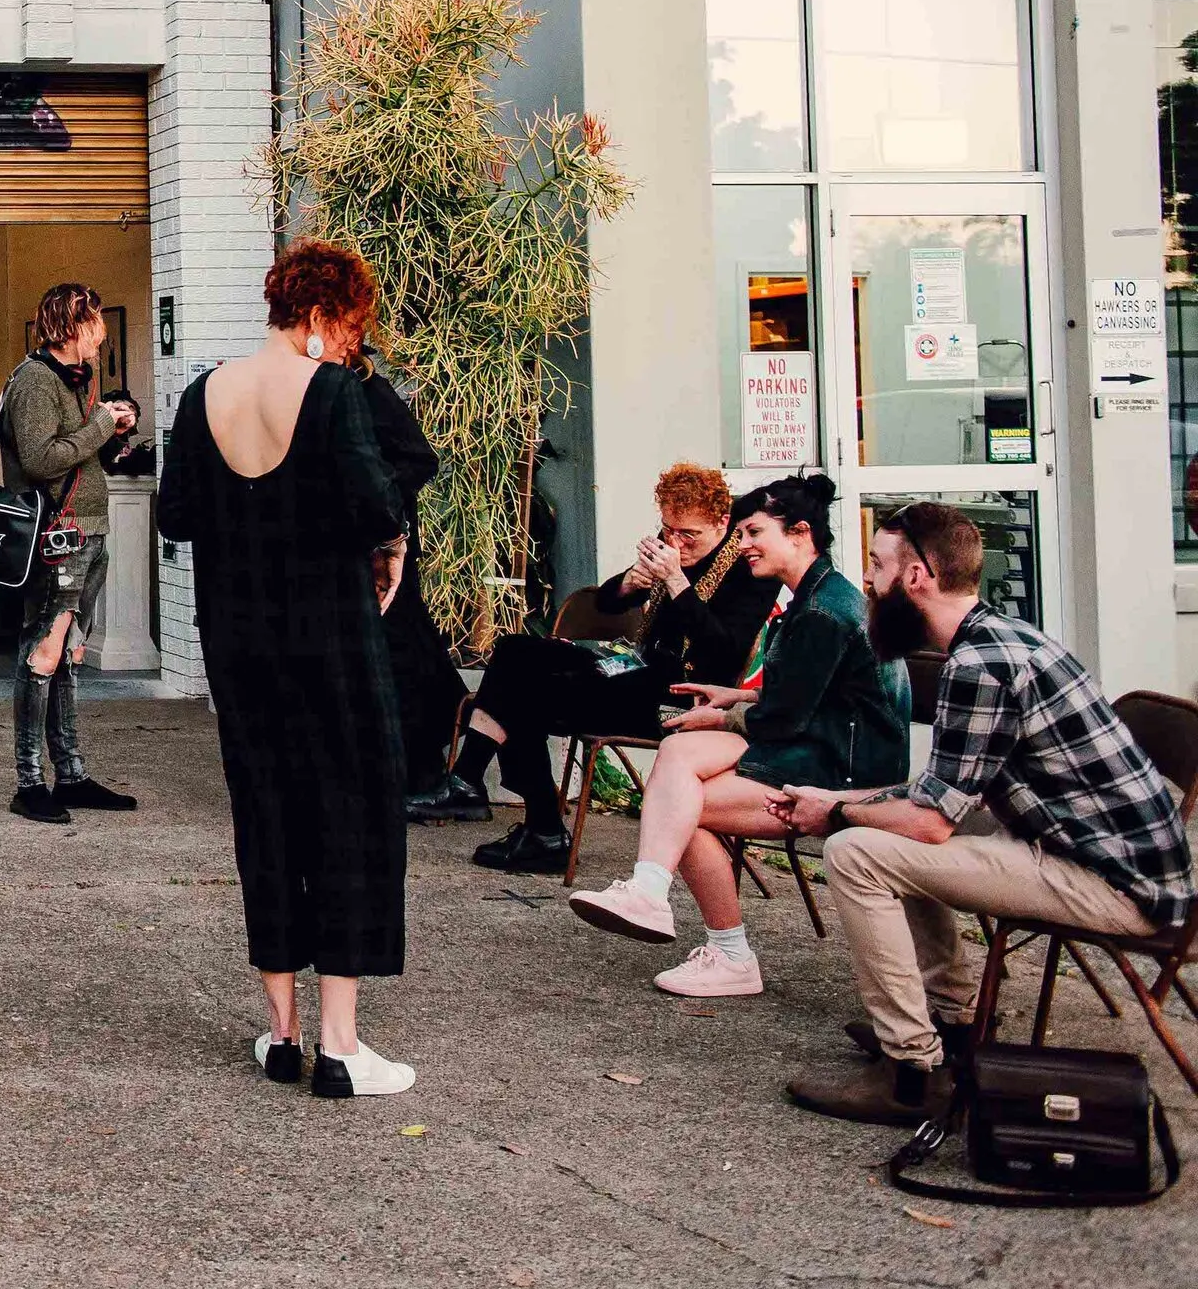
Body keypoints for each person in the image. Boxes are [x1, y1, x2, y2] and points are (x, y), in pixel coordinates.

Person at [777, 503, 1197, 1124]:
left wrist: (835, 814)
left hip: (1115, 885)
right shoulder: (998, 635)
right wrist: (841, 801)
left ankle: (911, 1073)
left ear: (916, 576)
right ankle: (955, 1025)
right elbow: (939, 796)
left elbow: (929, 822)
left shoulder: (979, 664)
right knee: (886, 833)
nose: (866, 579)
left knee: (855, 852)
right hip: (1098, 855)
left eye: (876, 565)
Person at [155, 239, 416, 1099]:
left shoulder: (204, 394)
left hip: (239, 640)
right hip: (329, 636)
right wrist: (389, 543)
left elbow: (178, 515)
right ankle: (340, 1047)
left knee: (264, 815)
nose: (349, 346)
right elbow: (375, 502)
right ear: (317, 316)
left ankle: (282, 1034)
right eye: (349, 328)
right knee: (349, 812)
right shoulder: (334, 392)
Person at [565, 472, 908, 1002]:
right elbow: (815, 694)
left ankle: (727, 952)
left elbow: (786, 718)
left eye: (753, 533)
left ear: (799, 533)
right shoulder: (819, 594)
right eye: (741, 533)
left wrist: (724, 716)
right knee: (679, 756)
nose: (742, 544)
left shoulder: (821, 611)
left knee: (684, 807)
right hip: (822, 741)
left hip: (842, 769)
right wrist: (735, 696)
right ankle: (649, 892)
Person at [407, 464, 780, 876]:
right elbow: (607, 603)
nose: (676, 542)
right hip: (635, 666)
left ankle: (537, 825)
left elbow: (723, 650)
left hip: (682, 697)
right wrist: (630, 583)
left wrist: (676, 581)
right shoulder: (675, 544)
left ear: (722, 523)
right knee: (515, 651)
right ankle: (473, 784)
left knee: (525, 695)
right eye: (668, 530)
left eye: (689, 534)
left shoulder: (748, 570)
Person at [0, 282, 141, 823]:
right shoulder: (35, 380)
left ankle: (71, 775)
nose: (101, 337)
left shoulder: (74, 379)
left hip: (88, 532)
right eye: (96, 324)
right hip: (59, 537)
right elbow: (39, 459)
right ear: (74, 325)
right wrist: (100, 424)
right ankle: (30, 783)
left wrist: (112, 430)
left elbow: (76, 453)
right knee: (42, 653)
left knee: (68, 657)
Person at [355, 361, 451, 773]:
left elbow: (421, 460)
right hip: (365, 543)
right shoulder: (335, 391)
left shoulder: (370, 391)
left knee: (401, 649)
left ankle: (422, 766)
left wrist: (376, 495)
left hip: (387, 544)